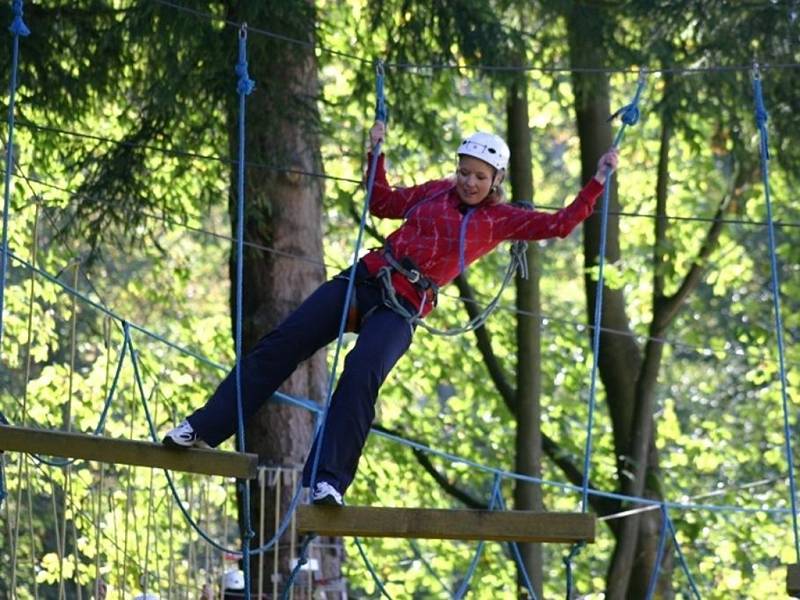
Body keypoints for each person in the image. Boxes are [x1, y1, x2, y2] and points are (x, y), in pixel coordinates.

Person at [163, 121, 619, 506]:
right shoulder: (434, 193)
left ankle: (327, 481)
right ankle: (201, 427)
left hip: (403, 306)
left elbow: (560, 224)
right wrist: (375, 152)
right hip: (366, 278)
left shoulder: (501, 220)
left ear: (496, 179)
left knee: (361, 373)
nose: (469, 182)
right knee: (283, 343)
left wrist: (597, 181)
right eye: (464, 172)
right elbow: (382, 202)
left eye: (480, 176)